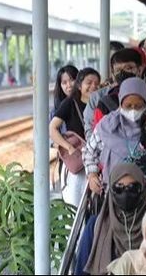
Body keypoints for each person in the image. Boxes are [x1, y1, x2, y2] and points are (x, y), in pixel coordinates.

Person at [76, 163, 146, 275]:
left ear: (142, 189)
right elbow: (81, 270)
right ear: (111, 191)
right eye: (119, 188)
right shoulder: (95, 225)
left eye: (132, 187)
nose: (126, 193)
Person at [84, 77, 146, 194]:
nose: (133, 111)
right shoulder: (107, 126)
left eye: (138, 106)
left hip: (145, 194)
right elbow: (90, 152)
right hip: (111, 192)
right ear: (120, 104)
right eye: (128, 106)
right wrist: (92, 175)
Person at [49, 67, 100, 206]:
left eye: (97, 83)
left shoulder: (102, 104)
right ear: (80, 85)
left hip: (98, 163)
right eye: (89, 83)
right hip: (78, 163)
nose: (93, 87)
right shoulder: (69, 103)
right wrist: (69, 147)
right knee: (75, 204)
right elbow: (52, 128)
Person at [84, 48, 144, 141]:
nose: (123, 73)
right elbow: (93, 133)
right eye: (118, 70)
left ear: (140, 69)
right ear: (113, 73)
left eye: (128, 68)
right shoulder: (103, 101)